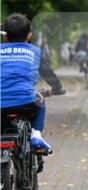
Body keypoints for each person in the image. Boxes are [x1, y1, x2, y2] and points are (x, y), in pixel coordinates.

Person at [1, 14, 66, 153]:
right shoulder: (34, 51)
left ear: (5, 37)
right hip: (26, 103)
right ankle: (36, 134)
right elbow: (47, 72)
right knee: (40, 99)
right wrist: (57, 88)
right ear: (29, 36)